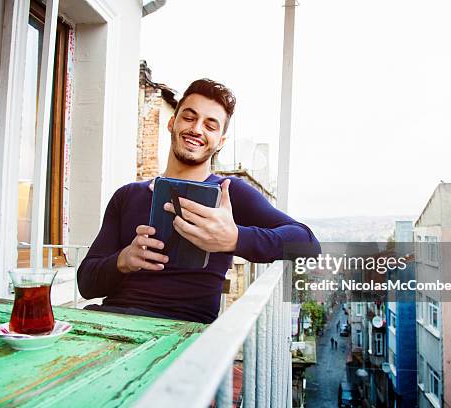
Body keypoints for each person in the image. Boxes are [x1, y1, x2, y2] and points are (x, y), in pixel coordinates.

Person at [77, 78, 320, 324]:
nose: (197, 129)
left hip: (181, 337)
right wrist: (123, 260)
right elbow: (86, 284)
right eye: (189, 117)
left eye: (210, 125)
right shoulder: (127, 195)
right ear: (172, 122)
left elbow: (308, 244)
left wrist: (234, 238)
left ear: (220, 142)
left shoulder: (229, 192)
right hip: (107, 321)